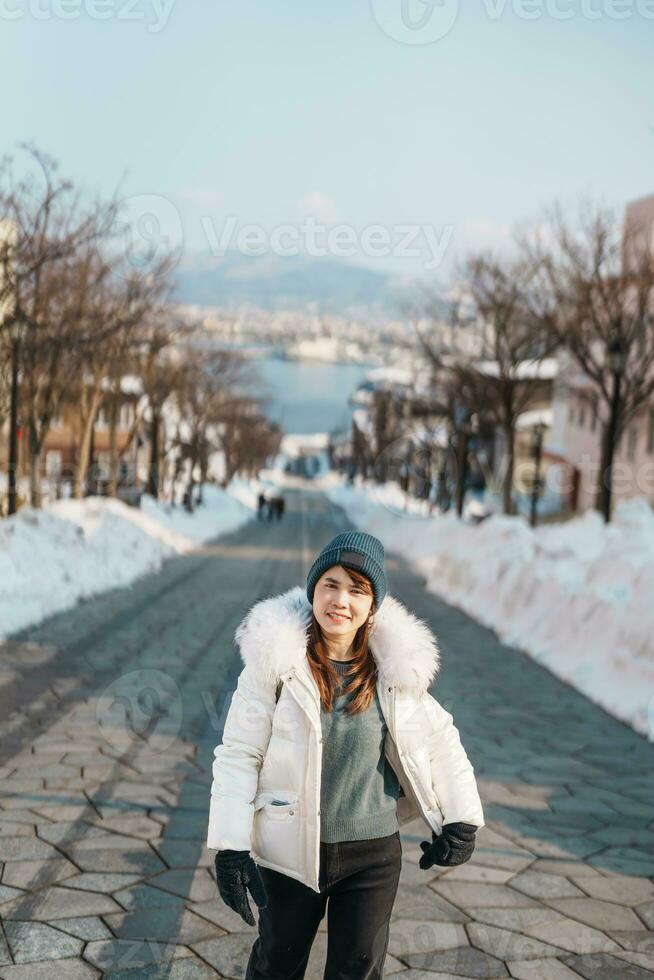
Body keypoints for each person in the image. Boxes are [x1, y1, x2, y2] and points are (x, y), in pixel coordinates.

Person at [207, 531, 485, 979]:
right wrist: (230, 847)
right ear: (313, 589)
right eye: (330, 584)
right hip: (290, 850)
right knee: (276, 964)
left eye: (357, 590)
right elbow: (239, 755)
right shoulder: (275, 667)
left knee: (356, 971)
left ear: (372, 605)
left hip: (372, 855)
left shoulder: (393, 671)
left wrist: (462, 819)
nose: (341, 600)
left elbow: (440, 741)